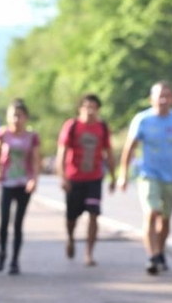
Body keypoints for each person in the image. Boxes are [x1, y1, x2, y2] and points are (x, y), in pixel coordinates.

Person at [119, 80, 172, 275]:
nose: (163, 100)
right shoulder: (142, 119)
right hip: (148, 174)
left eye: (167, 96)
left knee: (166, 219)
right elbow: (130, 148)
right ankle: (152, 256)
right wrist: (123, 175)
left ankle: (160, 251)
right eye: (159, 96)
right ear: (151, 99)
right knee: (151, 213)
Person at [56, 93, 116, 266]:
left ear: (98, 110)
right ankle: (70, 238)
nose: (90, 111)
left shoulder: (102, 128)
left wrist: (113, 176)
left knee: (94, 214)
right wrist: (63, 177)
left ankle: (89, 253)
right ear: (80, 109)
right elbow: (62, 153)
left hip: (94, 178)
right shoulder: (72, 126)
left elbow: (108, 153)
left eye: (93, 107)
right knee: (71, 217)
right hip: (74, 178)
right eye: (86, 107)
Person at [0, 99, 41, 275]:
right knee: (4, 221)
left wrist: (34, 179)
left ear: (26, 117)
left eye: (19, 116)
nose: (16, 119)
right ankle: (2, 252)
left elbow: (35, 160)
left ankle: (14, 261)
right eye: (13, 115)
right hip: (7, 182)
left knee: (18, 223)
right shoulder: (3, 134)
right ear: (8, 117)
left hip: (23, 182)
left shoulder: (31, 136)